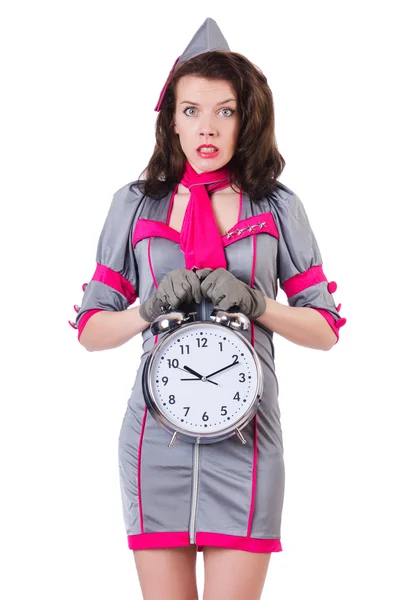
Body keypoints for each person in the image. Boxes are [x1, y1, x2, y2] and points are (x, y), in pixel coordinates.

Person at [69, 17, 346, 600]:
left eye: (225, 110)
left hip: (248, 442)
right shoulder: (134, 204)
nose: (207, 127)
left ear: (247, 118)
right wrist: (145, 310)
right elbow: (92, 331)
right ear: (170, 118)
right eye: (191, 110)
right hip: (154, 437)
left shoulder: (276, 205)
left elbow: (324, 330)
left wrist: (257, 302)